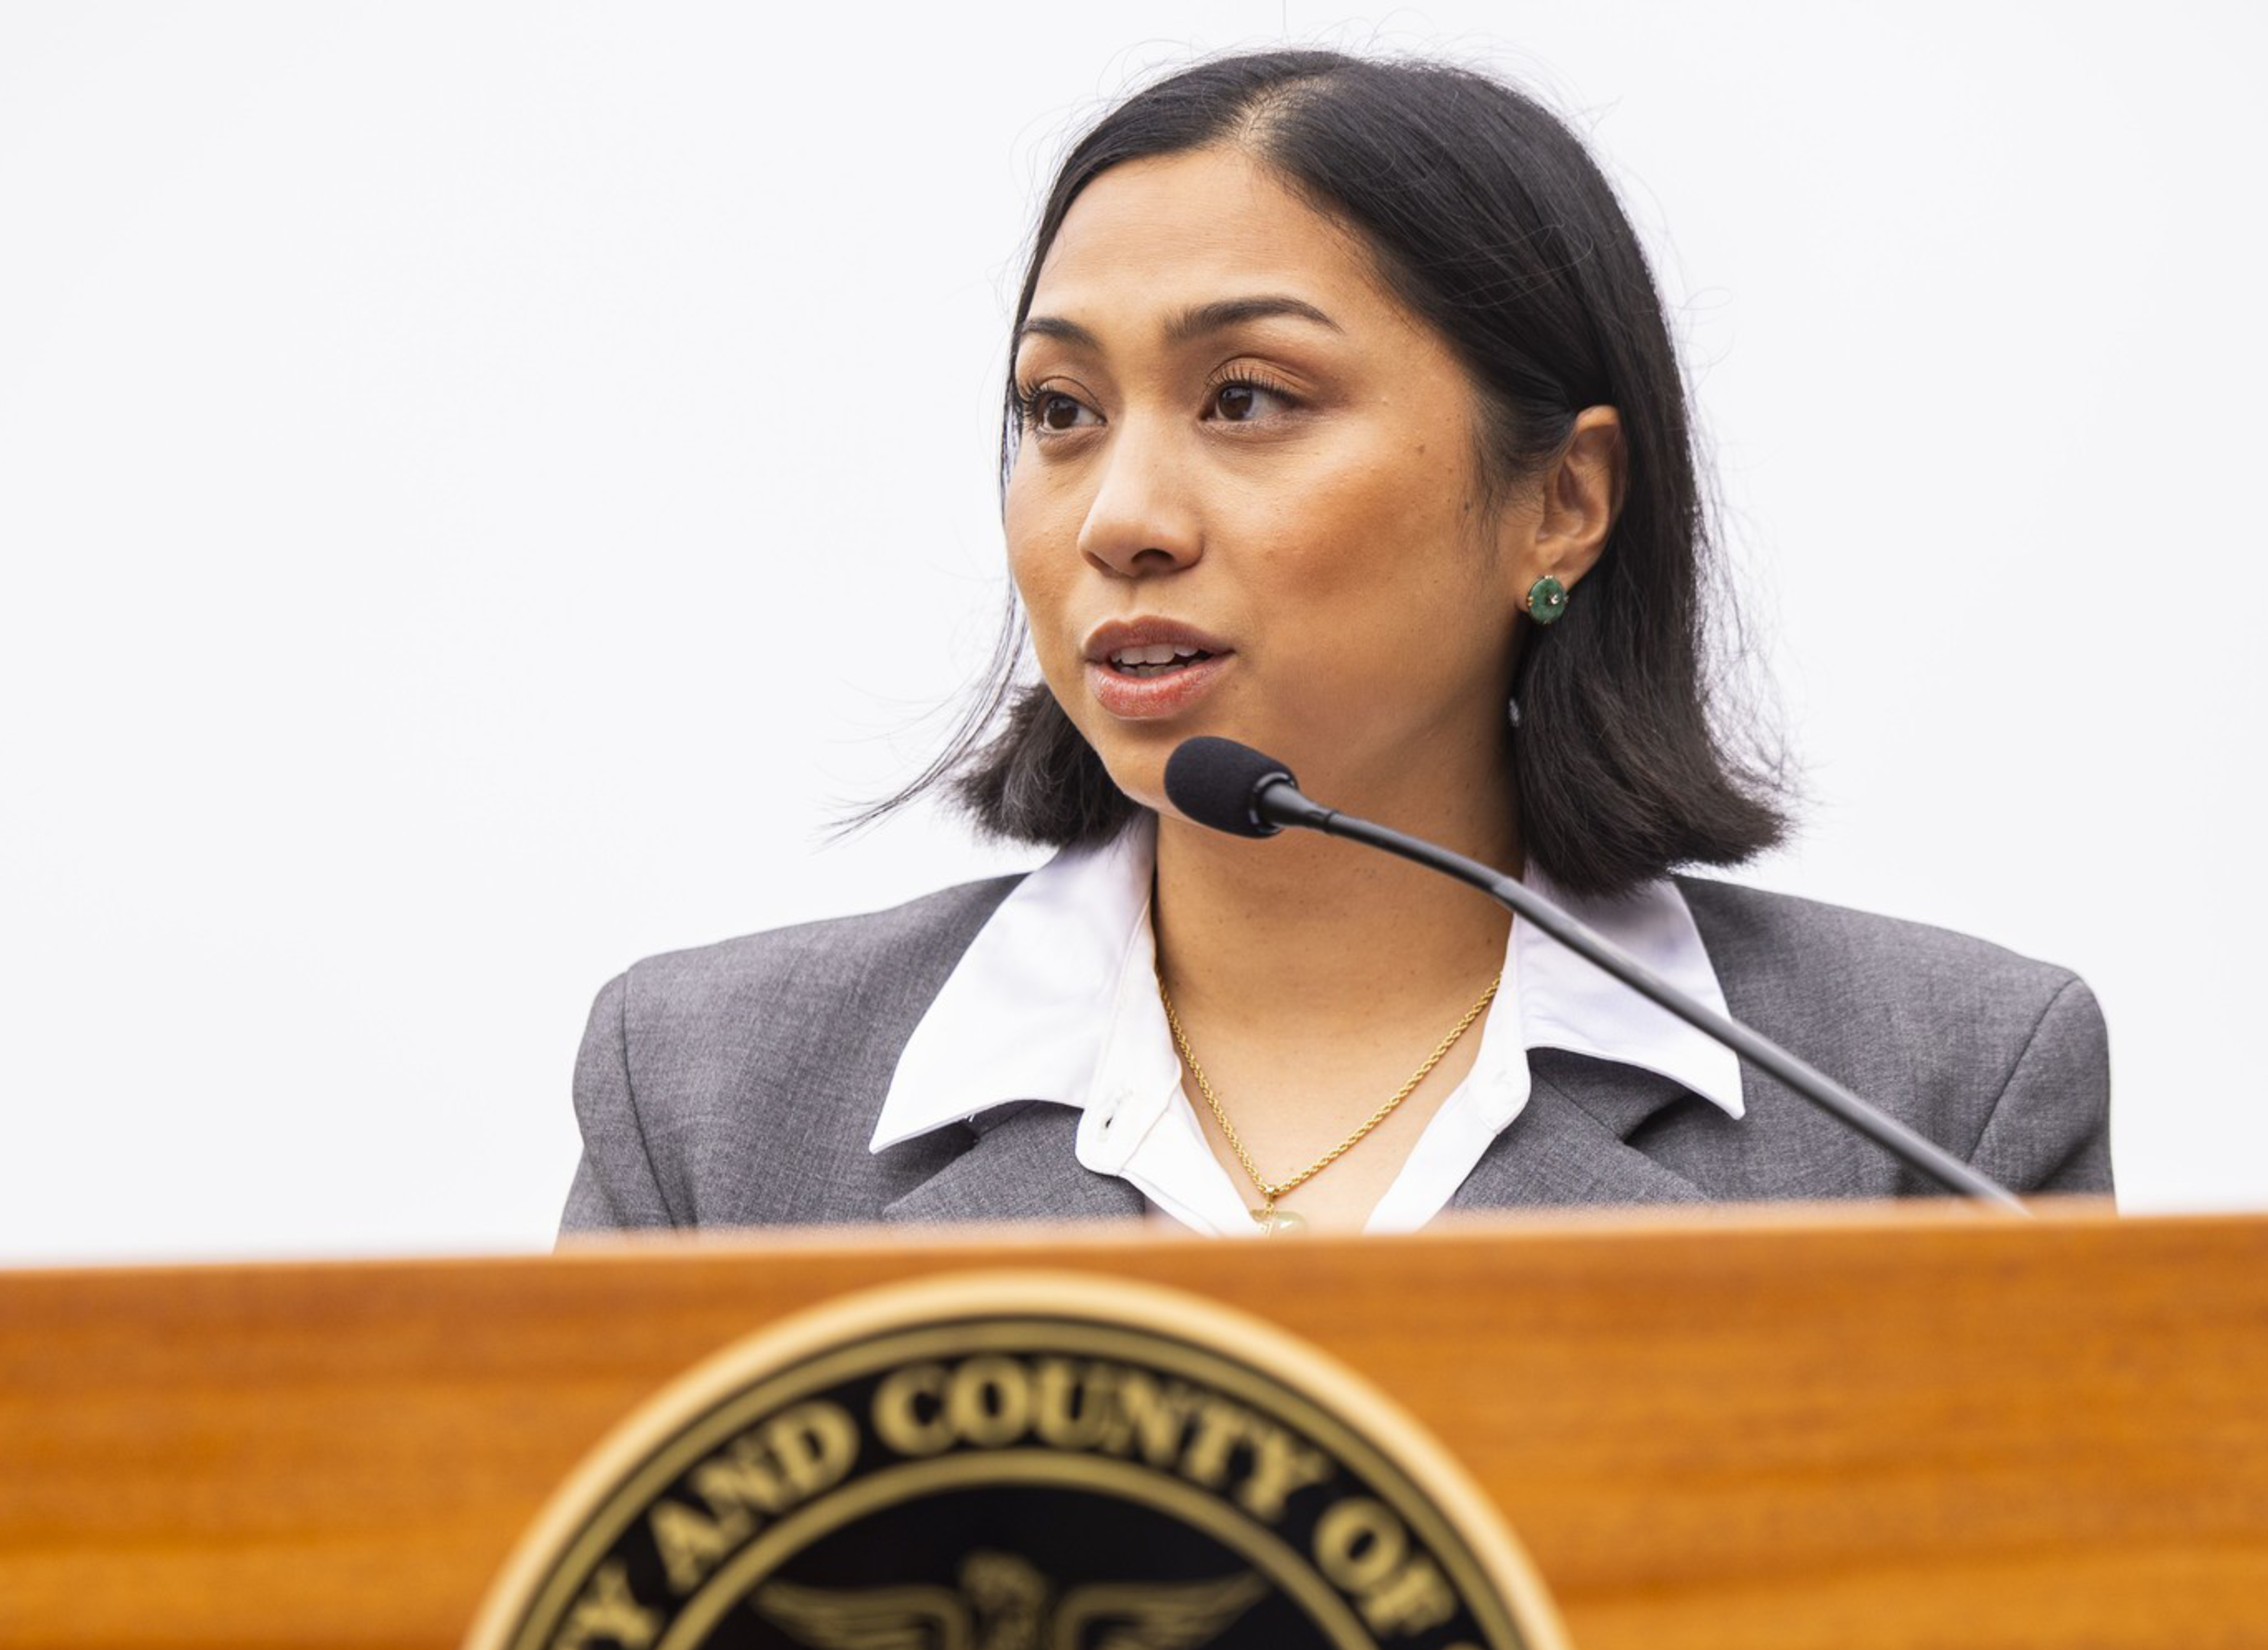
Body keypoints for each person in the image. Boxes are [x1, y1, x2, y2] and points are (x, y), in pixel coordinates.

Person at [559, 48, 2111, 1241]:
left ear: (1562, 503)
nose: (1122, 517)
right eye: (1061, 412)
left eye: (1246, 399)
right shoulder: (709, 1102)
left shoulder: (1935, 1099)